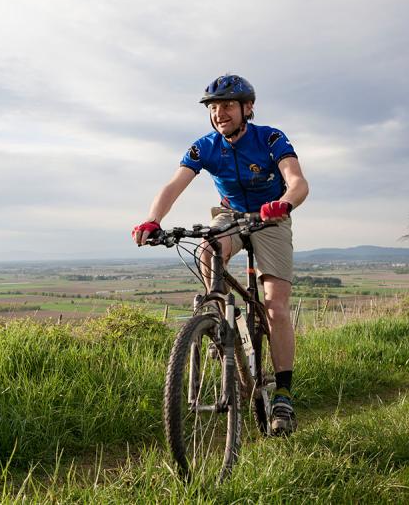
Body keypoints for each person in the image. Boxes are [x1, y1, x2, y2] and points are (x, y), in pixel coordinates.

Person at [132, 74, 309, 436]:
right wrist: (153, 220)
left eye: (227, 106)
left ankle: (284, 397)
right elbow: (174, 184)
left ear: (247, 109)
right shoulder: (205, 146)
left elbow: (297, 181)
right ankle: (218, 322)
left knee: (275, 307)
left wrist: (284, 204)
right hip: (230, 215)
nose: (219, 113)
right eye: (213, 108)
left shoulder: (270, 138)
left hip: (271, 217)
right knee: (208, 247)